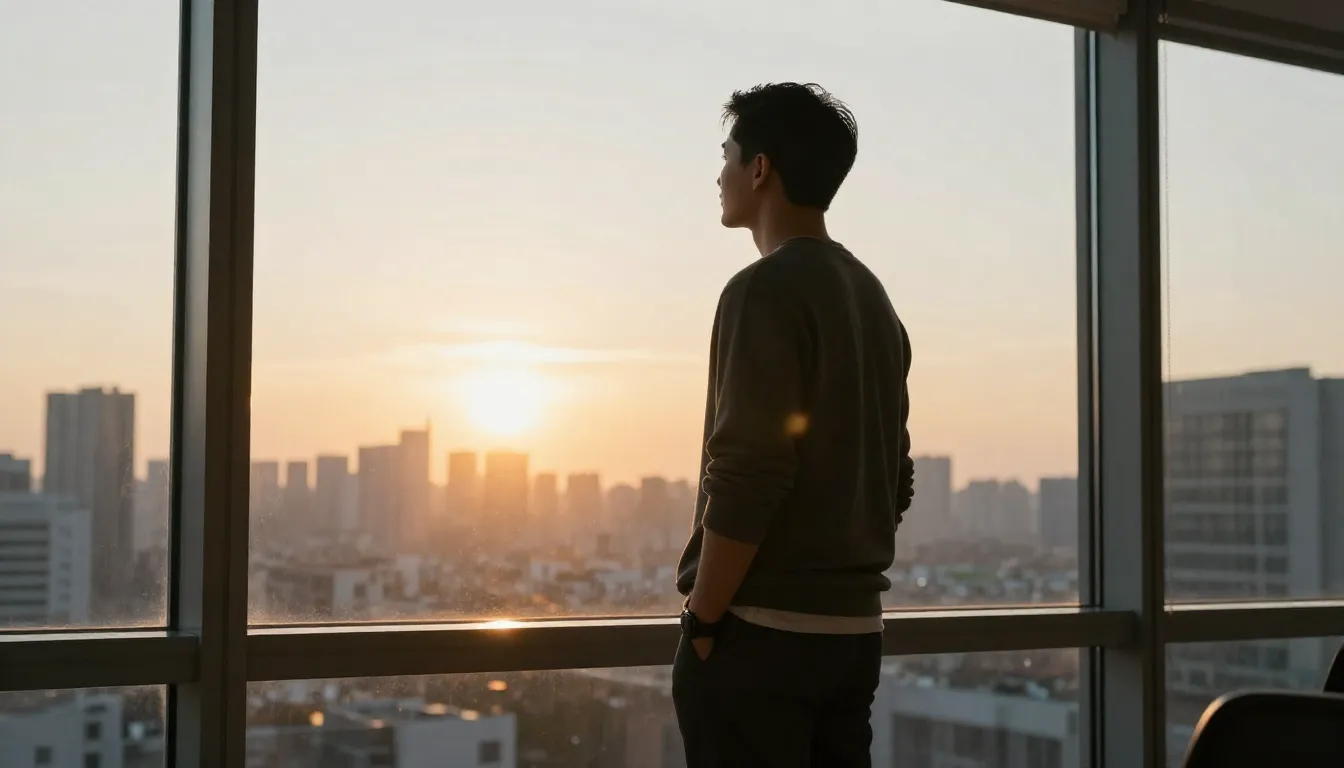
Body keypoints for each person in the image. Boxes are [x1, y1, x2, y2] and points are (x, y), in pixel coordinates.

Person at [672, 82, 915, 767]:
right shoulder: (874, 301)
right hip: (853, 640)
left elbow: (749, 475)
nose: (718, 173)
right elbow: (894, 480)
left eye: (727, 155)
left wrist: (704, 621)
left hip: (760, 640)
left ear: (760, 169)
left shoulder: (762, 291)